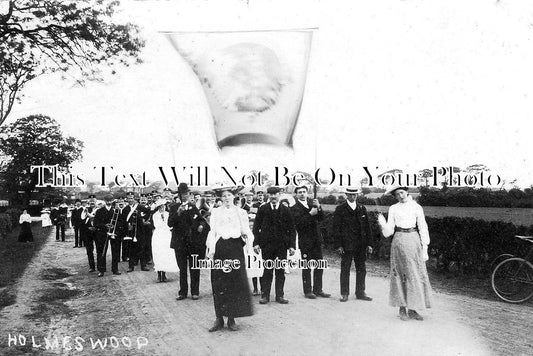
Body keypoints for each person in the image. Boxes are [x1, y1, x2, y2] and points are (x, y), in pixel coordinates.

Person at [377, 186, 432, 321]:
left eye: (401, 192)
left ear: (407, 191)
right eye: (397, 194)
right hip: (398, 241)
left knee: (414, 274)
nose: (400, 196)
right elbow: (389, 231)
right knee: (400, 275)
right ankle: (402, 308)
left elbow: (423, 227)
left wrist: (425, 248)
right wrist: (383, 223)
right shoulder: (393, 208)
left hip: (413, 240)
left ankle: (413, 309)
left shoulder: (416, 207)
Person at [205, 186, 254, 332]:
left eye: (229, 195)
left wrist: (248, 241)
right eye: (224, 196)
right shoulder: (215, 212)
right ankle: (219, 318)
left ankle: (231, 318)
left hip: (235, 249)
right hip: (220, 248)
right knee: (219, 282)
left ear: (234, 196)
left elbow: (246, 230)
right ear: (220, 198)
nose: (226, 198)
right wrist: (211, 250)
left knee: (234, 282)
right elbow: (212, 231)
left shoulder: (241, 212)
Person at [253, 186, 296, 304]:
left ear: (279, 195)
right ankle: (265, 295)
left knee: (280, 271)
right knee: (267, 270)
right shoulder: (263, 209)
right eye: (270, 194)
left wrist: (292, 245)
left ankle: (280, 296)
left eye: (275, 194)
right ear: (268, 195)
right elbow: (256, 227)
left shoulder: (286, 210)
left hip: (281, 246)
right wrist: (256, 243)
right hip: (267, 245)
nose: (273, 196)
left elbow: (292, 229)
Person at [333, 187, 373, 302]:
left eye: (354, 194)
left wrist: (369, 244)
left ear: (357, 195)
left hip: (360, 245)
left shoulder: (362, 208)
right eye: (350, 194)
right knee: (345, 269)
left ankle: (360, 292)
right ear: (346, 195)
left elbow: (367, 228)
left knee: (361, 268)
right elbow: (336, 229)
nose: (352, 196)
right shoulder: (340, 209)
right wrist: (338, 245)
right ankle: (344, 293)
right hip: (346, 245)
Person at [291, 185, 330, 299]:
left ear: (307, 193)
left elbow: (321, 218)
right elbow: (299, 224)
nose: (302, 194)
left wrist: (319, 207)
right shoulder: (294, 208)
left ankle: (318, 289)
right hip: (305, 240)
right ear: (296, 194)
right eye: (300, 192)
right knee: (307, 265)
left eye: (304, 192)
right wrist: (310, 214)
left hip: (316, 239)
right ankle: (308, 291)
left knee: (319, 265)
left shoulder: (312, 204)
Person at [168, 189, 204, 300]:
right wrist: (178, 213)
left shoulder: (193, 207)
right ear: (179, 195)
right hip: (179, 242)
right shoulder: (174, 207)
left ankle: (195, 292)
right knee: (182, 268)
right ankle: (183, 292)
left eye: (186, 194)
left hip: (192, 242)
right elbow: (170, 223)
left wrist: (201, 225)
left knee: (194, 267)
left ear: (189, 195)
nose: (184, 196)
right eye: (182, 194)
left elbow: (201, 219)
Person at [151, 198, 179, 282]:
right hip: (158, 235)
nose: (162, 208)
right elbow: (157, 225)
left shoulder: (168, 214)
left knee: (165, 253)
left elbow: (170, 225)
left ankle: (164, 274)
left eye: (163, 206)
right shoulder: (155, 215)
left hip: (166, 235)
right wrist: (162, 221)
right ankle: (159, 274)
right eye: (160, 206)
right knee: (158, 253)